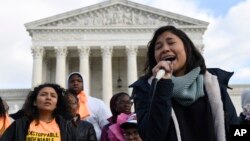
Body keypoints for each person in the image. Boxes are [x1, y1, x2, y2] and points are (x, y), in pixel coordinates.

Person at [129, 25, 239, 141]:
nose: (165, 49)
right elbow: (152, 136)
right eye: (158, 47)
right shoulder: (145, 89)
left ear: (187, 48)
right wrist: (162, 85)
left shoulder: (213, 83)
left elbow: (235, 128)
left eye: (171, 43)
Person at [1, 83, 76, 141]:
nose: (48, 98)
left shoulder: (67, 127)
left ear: (57, 104)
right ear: (34, 102)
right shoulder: (19, 125)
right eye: (43, 95)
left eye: (53, 96)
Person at [68, 72, 111, 140]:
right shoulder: (62, 104)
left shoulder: (97, 103)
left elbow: (106, 126)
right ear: (67, 84)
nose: (75, 83)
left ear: (84, 83)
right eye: (72, 81)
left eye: (79, 81)